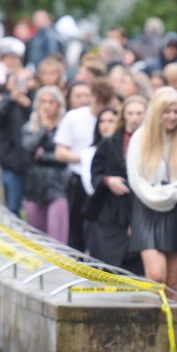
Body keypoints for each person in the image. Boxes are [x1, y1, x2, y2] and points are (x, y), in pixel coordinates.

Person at [126, 87, 177, 294]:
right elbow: (135, 178)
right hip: (147, 206)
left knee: (172, 282)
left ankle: (172, 325)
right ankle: (153, 323)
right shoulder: (140, 137)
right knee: (155, 275)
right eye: (167, 111)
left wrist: (171, 193)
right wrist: (155, 195)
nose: (172, 117)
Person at [83, 96, 148, 271]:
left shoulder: (150, 142)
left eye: (139, 113)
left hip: (139, 206)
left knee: (134, 262)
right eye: (130, 113)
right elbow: (95, 172)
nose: (134, 118)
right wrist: (107, 180)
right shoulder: (110, 141)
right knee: (106, 259)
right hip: (109, 209)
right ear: (124, 115)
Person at [55, 79, 116, 251]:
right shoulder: (75, 117)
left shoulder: (112, 117)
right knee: (77, 229)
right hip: (79, 178)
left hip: (105, 181)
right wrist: (87, 158)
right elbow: (60, 152)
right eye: (98, 102)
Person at [21, 86, 69, 243]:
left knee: (57, 237)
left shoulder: (65, 128)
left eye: (51, 102)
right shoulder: (30, 128)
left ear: (59, 105)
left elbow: (64, 156)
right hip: (35, 187)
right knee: (36, 238)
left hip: (58, 186)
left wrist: (43, 156)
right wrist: (43, 129)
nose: (47, 106)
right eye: (43, 102)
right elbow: (27, 150)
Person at [0, 68, 34, 216]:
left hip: (33, 165)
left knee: (31, 210)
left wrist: (28, 106)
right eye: (17, 81)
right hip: (12, 162)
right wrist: (11, 99)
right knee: (12, 207)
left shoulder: (36, 99)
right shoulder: (5, 100)